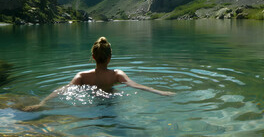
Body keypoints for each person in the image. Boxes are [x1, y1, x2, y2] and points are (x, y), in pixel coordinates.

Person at [23, 37, 175, 111]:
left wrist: (42, 103)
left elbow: (62, 90)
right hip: (112, 101)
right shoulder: (117, 74)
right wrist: (160, 92)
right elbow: (136, 86)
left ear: (93, 57)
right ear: (109, 58)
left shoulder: (82, 76)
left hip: (90, 104)